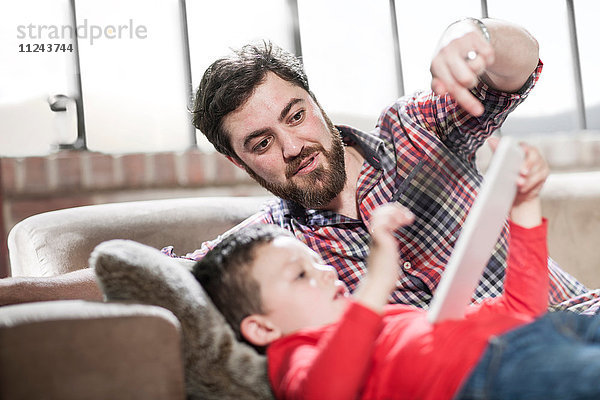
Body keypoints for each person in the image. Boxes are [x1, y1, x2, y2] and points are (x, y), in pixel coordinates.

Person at [1, 17, 597, 313]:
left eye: (294, 115)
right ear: (238, 161)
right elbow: (145, 275)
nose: (293, 145)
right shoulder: (271, 245)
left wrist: (473, 36)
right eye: (260, 143)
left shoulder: (417, 130)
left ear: (318, 105)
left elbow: (516, 68)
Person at [193, 169, 600, 400]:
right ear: (263, 327)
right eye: (302, 275)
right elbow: (324, 394)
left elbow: (523, 310)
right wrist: (374, 287)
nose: (328, 273)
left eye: (317, 264)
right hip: (494, 374)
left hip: (545, 332)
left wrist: (524, 207)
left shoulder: (392, 321)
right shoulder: (297, 353)